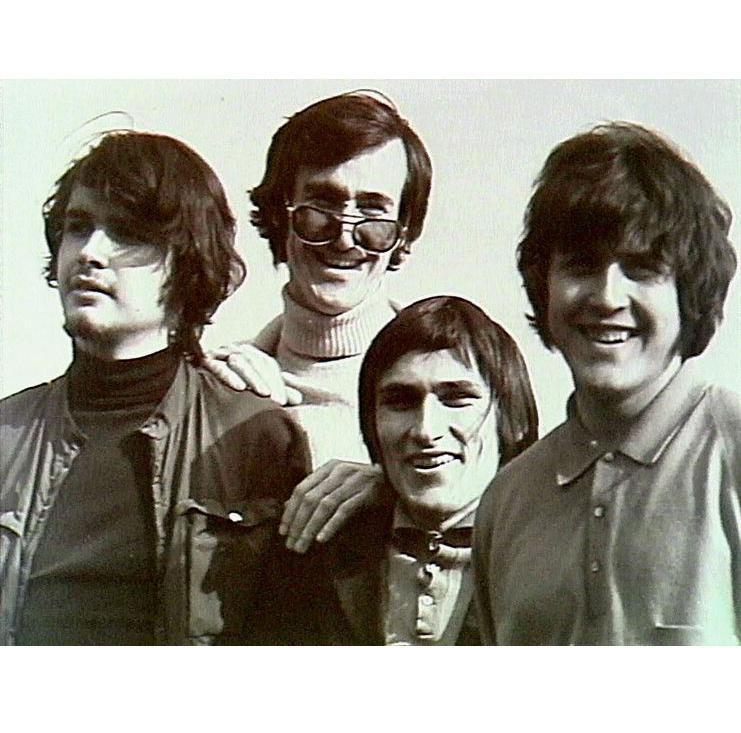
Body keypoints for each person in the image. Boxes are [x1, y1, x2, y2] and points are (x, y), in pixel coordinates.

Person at [0, 132, 309, 645]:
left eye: (127, 232)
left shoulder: (254, 437)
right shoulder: (6, 435)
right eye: (78, 227)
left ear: (187, 261)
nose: (90, 252)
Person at [473, 122, 740, 645]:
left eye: (642, 269)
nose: (607, 297)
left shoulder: (731, 454)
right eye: (581, 266)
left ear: (689, 292)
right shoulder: (506, 501)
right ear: (543, 285)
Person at [205, 91, 433, 552]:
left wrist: (399, 489)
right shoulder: (227, 380)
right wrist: (239, 416)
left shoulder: (454, 377)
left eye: (373, 212)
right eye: (322, 205)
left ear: (403, 236)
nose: (345, 237)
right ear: (279, 215)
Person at [249, 296, 538, 644]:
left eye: (457, 398)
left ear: (511, 418)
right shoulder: (312, 561)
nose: (426, 431)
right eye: (400, 401)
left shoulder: (559, 554)